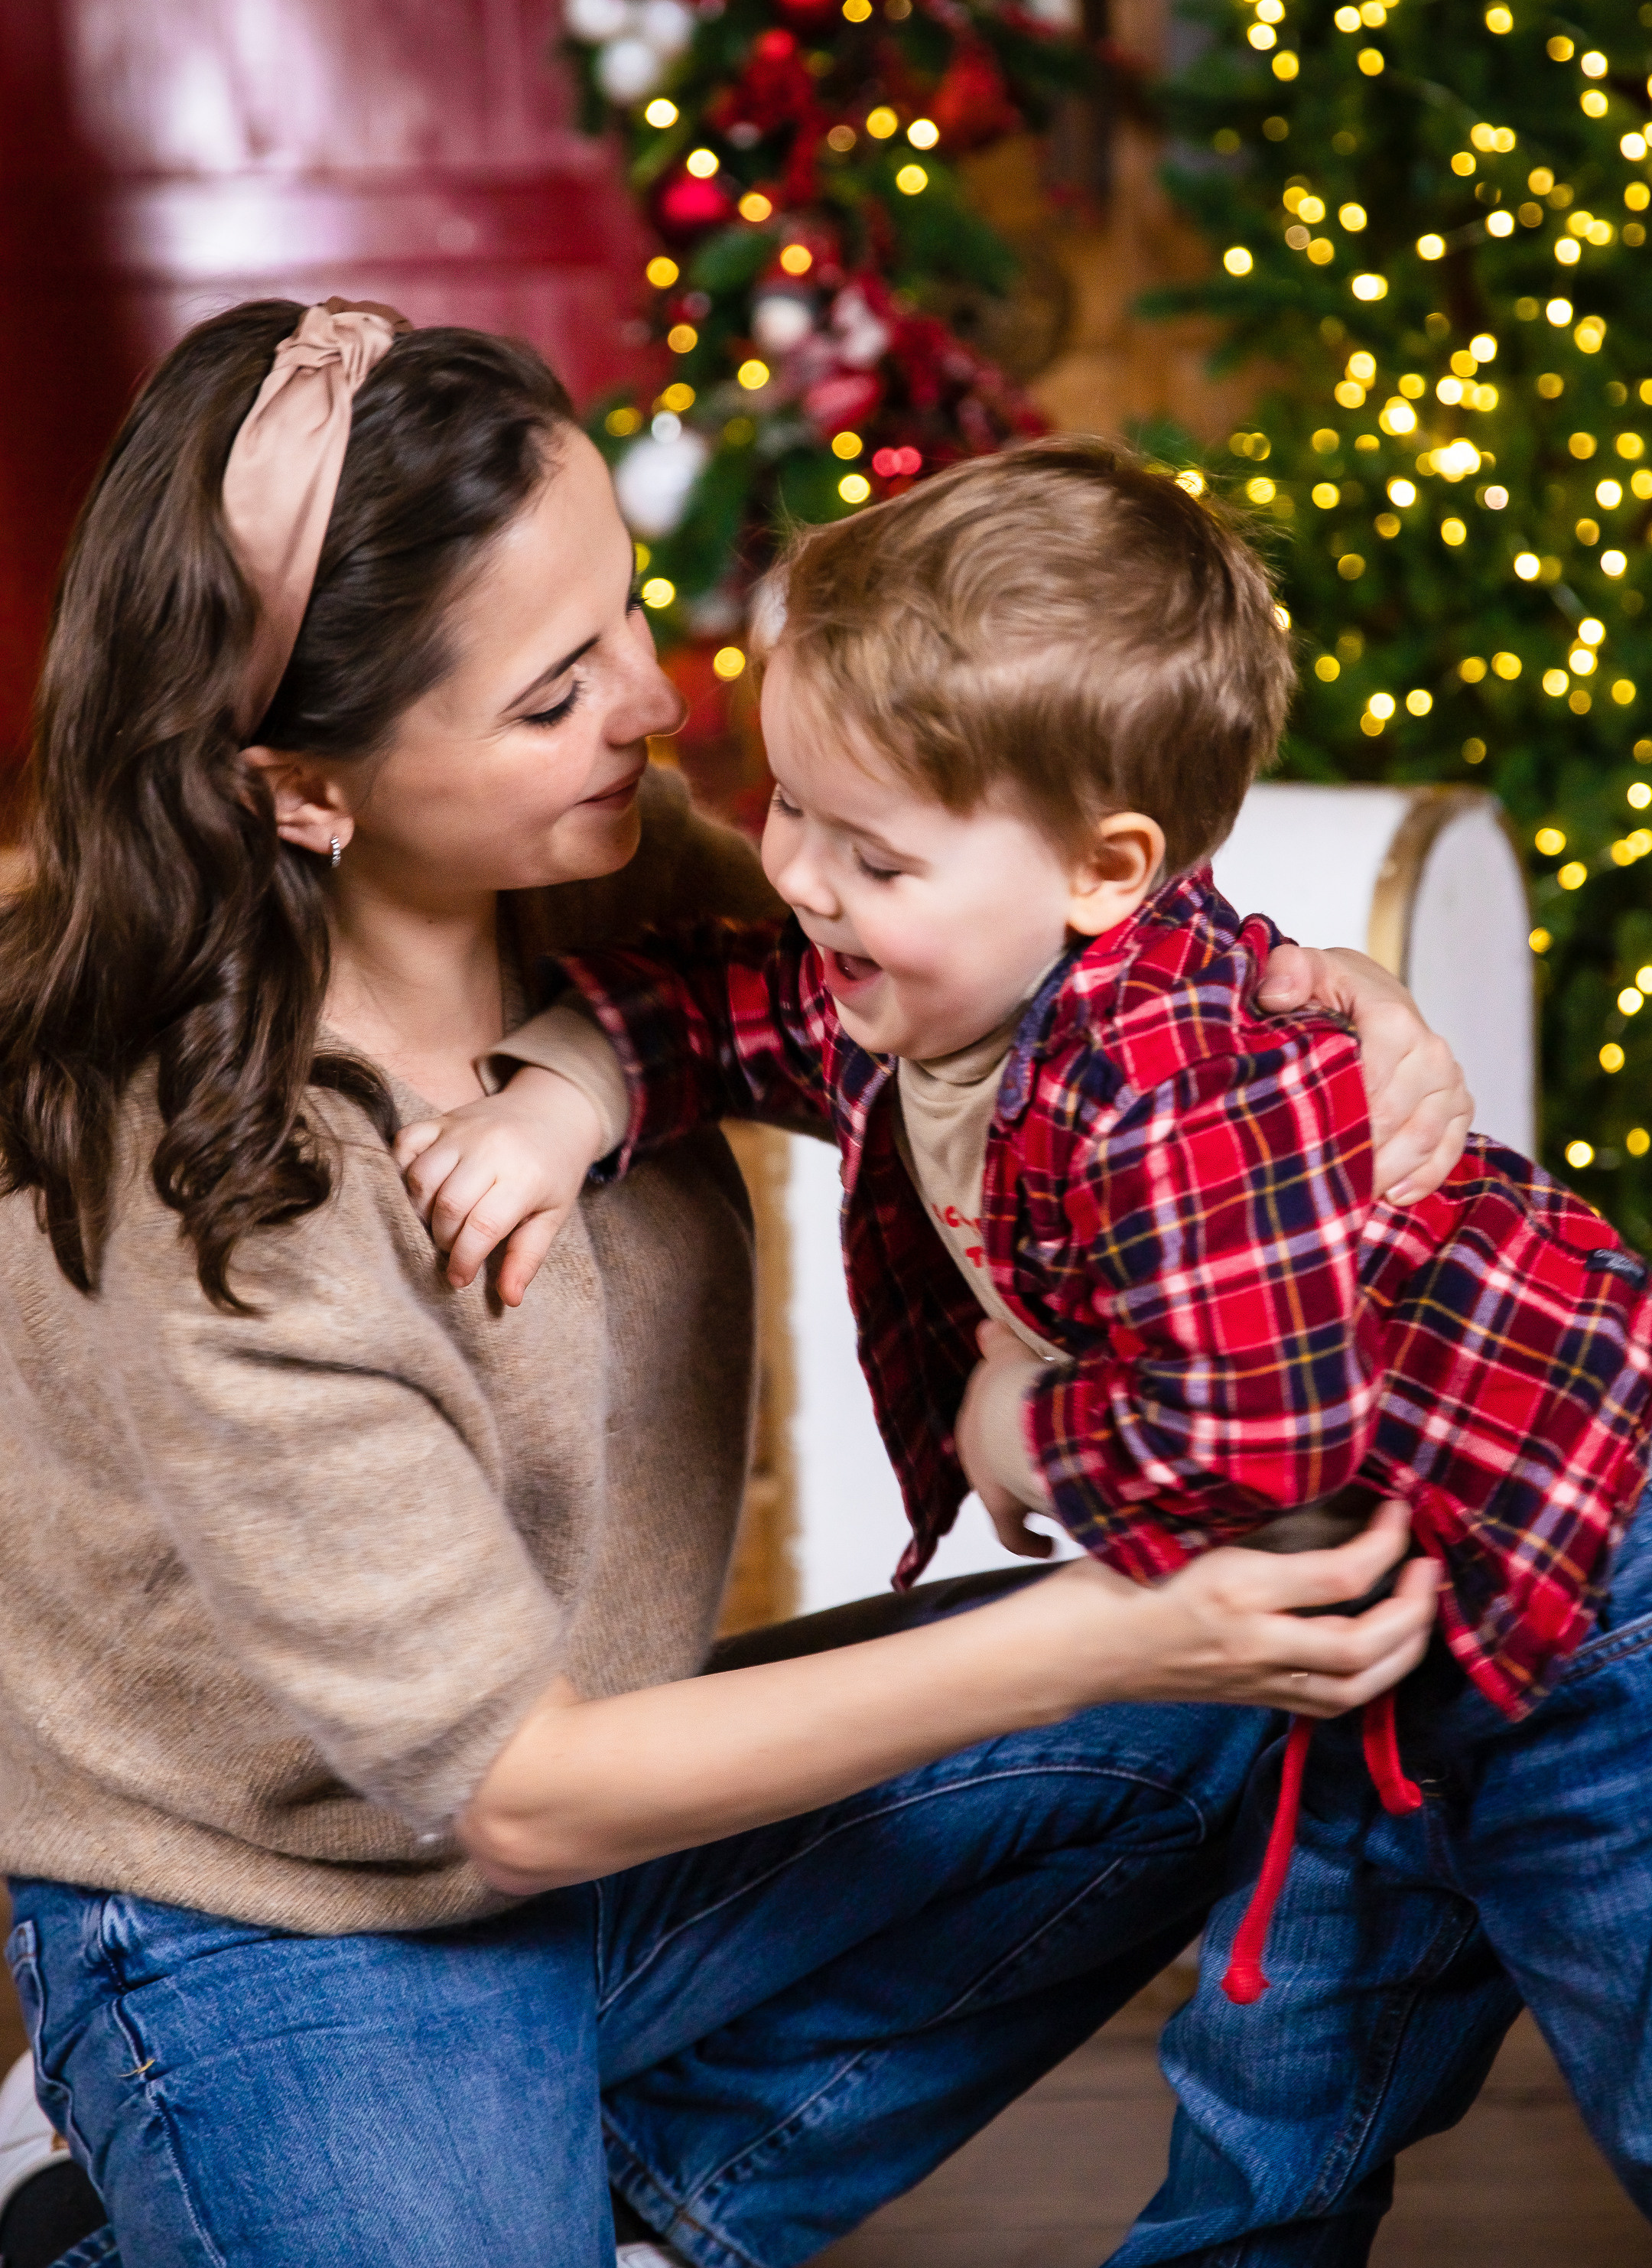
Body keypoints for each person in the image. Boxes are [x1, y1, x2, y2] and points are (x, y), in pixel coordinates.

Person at [0, 307, 1445, 2268]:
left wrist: (1336, 1010)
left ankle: (596, 2197)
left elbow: (1052, 968)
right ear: (299, 785)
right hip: (289, 1901)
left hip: (617, 1816)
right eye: (549, 693)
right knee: (1152, 1651)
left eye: (627, 618)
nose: (657, 710)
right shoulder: (211, 1190)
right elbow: (510, 1795)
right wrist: (1117, 1624)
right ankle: (148, 2162)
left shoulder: (623, 879)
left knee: (1265, 1681)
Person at [403, 436, 1652, 2257]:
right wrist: (561, 1105)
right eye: (792, 810)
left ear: (1104, 868)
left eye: (870, 850)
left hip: (1588, 1600)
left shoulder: (1168, 1080)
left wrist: (1023, 1433)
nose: (803, 881)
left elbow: (1265, 1442)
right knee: (1274, 2082)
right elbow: (717, 1004)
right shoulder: (924, 981)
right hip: (1365, 1640)